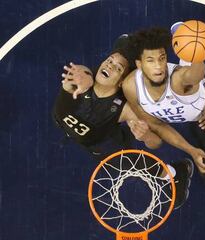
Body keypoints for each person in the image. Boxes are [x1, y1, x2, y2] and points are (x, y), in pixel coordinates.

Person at [52, 36, 193, 209]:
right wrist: (82, 75)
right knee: (63, 121)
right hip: (64, 122)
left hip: (100, 142)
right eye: (109, 60)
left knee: (125, 163)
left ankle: (176, 173)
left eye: (117, 67)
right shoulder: (81, 80)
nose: (109, 65)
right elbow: (78, 71)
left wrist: (146, 135)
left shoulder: (126, 108)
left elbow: (156, 142)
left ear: (120, 82)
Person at [121, 27, 205, 179]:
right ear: (139, 64)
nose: (158, 65)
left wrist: (198, 53)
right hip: (176, 117)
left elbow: (194, 75)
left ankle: (189, 51)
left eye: (162, 58)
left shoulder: (178, 79)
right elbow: (157, 124)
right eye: (150, 60)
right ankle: (183, 45)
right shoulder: (130, 86)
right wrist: (191, 150)